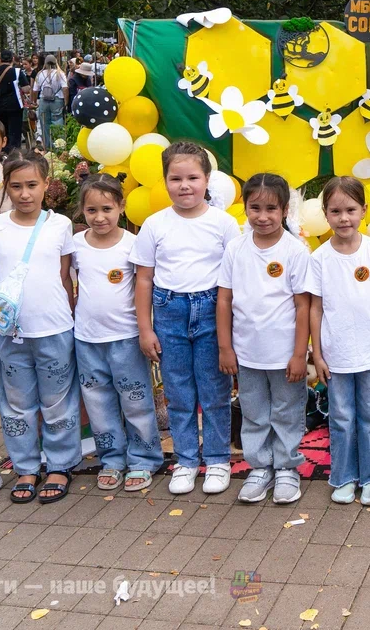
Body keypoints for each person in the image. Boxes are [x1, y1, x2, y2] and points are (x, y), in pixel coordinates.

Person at [132, 142, 241, 496]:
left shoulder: (224, 224)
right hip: (169, 312)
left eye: (193, 177)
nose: (184, 186)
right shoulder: (154, 225)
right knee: (178, 392)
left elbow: (235, 279)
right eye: (175, 178)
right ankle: (186, 459)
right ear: (164, 181)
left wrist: (231, 330)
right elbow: (144, 279)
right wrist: (145, 328)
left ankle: (218, 459)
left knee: (214, 390)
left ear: (207, 179)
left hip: (212, 310)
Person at [0, 150, 80, 503]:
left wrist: (70, 316)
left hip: (54, 327)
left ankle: (60, 465)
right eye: (16, 186)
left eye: (32, 185)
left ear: (46, 184)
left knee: (58, 401)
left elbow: (65, 275)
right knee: (16, 403)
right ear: (6, 187)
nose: (25, 194)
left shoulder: (60, 224)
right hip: (11, 332)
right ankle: (25, 466)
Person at [217, 173, 312, 505]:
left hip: (285, 354)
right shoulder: (235, 249)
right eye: (255, 208)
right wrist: (226, 347)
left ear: (285, 210)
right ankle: (259, 467)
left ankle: (286, 467)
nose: (262, 216)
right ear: (244, 208)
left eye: (271, 208)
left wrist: (299, 354)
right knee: (254, 411)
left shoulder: (295, 251)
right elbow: (224, 300)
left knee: (287, 411)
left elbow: (303, 305)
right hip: (247, 353)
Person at [308, 176, 370, 505]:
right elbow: (315, 308)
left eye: (350, 210)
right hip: (336, 356)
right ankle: (344, 477)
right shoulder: (319, 258)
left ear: (364, 210)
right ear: (325, 214)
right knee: (342, 418)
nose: (343, 218)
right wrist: (318, 354)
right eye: (335, 211)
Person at [72, 173, 163, 493]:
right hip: (87, 338)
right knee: (98, 403)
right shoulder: (76, 245)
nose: (99, 217)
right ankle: (111, 458)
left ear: (121, 207)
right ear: (82, 211)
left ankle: (144, 458)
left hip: (125, 337)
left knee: (136, 400)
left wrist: (145, 329)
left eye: (107, 209)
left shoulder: (132, 244)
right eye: (91, 210)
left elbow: (144, 287)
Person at [0, 49, 31, 152]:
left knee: (0, 132)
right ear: (12, 59)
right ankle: (14, 154)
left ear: (0, 59)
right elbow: (26, 89)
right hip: (14, 106)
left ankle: (1, 152)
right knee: (14, 132)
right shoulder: (17, 72)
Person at [33, 56, 69, 148]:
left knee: (44, 123)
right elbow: (65, 88)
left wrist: (34, 102)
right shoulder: (60, 73)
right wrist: (66, 102)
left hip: (43, 100)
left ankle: (48, 147)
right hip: (57, 100)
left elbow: (35, 90)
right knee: (57, 122)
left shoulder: (40, 74)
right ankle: (59, 146)